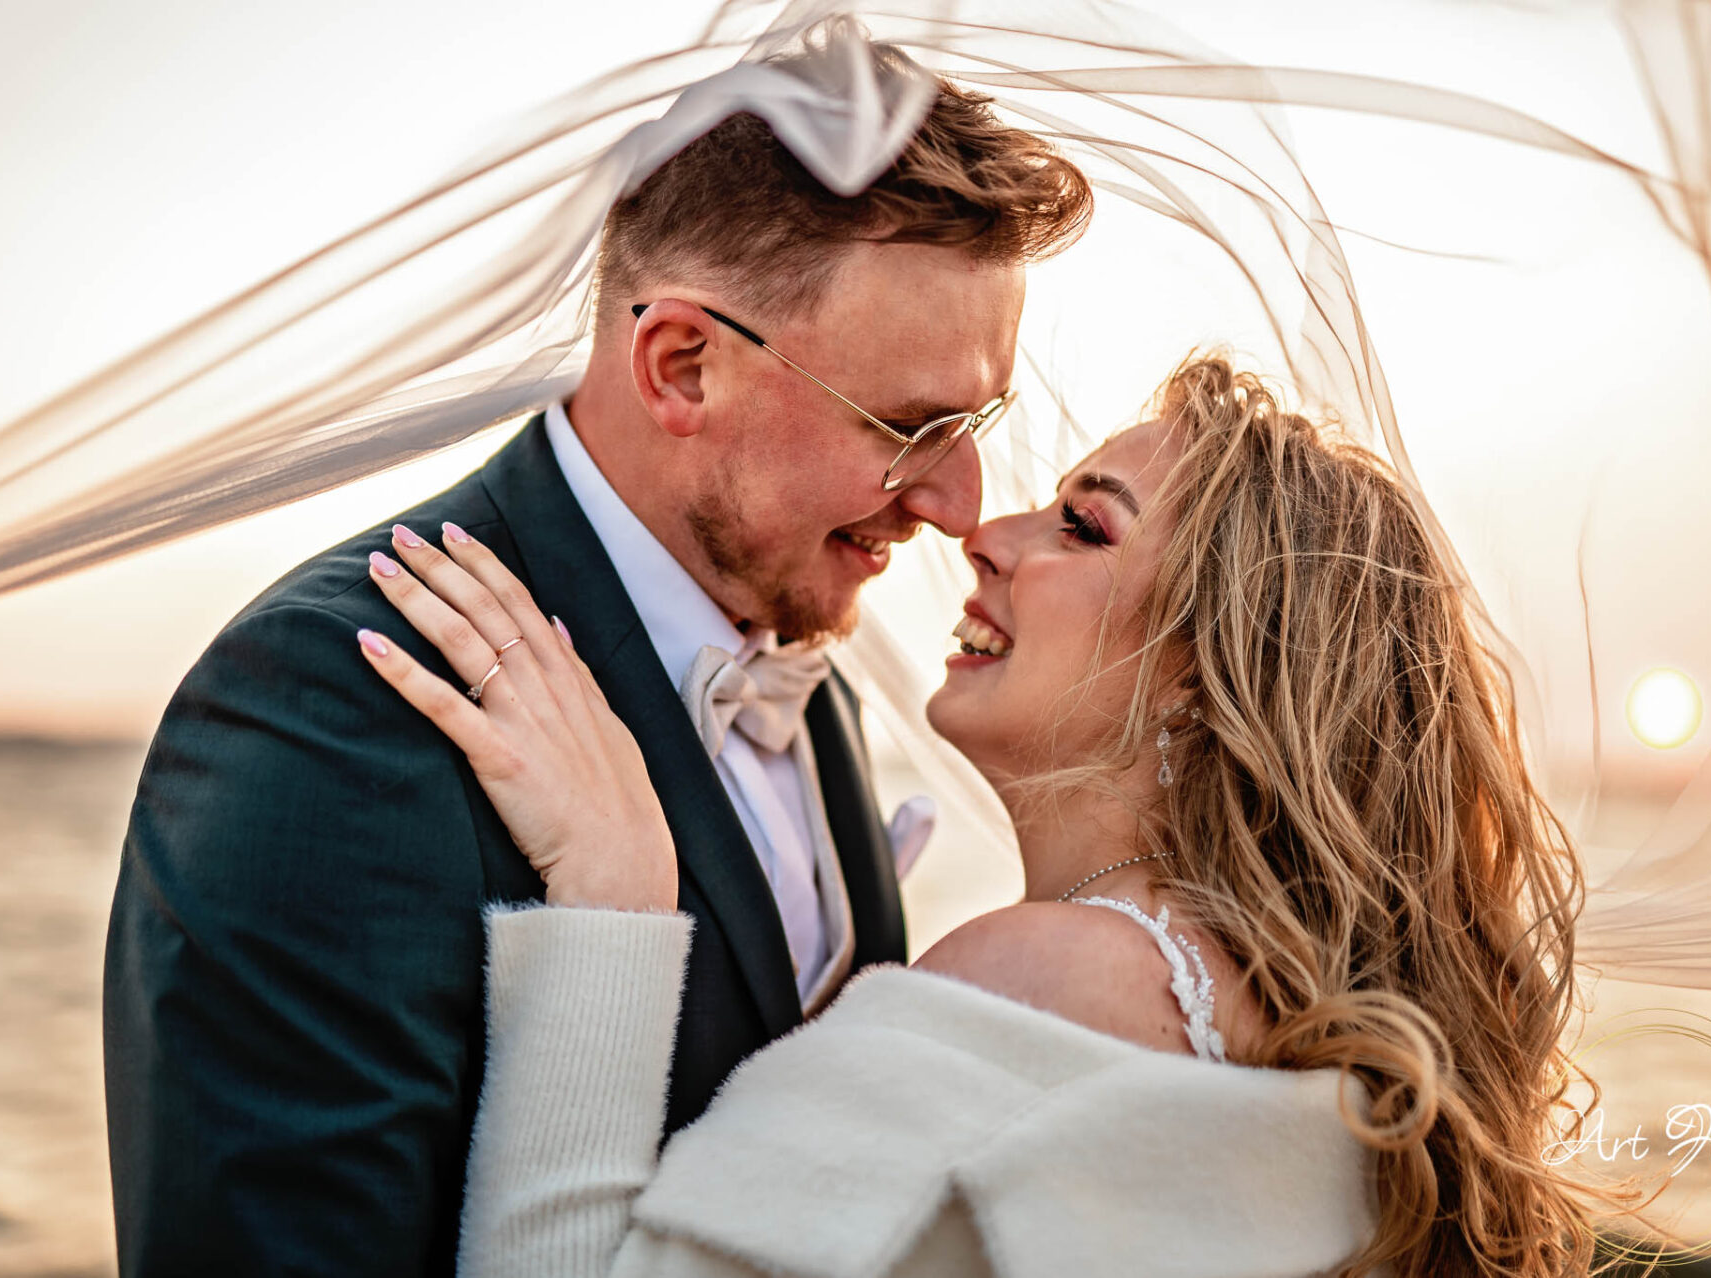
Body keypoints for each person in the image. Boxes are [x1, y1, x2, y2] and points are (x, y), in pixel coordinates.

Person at [99, 42, 1092, 1278]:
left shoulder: (808, 671)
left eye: (976, 422)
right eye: (910, 425)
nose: (958, 504)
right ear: (683, 365)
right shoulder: (337, 704)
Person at [359, 354, 1614, 1276]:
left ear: (1205, 674)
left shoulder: (1044, 976)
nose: (981, 533)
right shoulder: (1280, 1010)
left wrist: (616, 892)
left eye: (1083, 525)